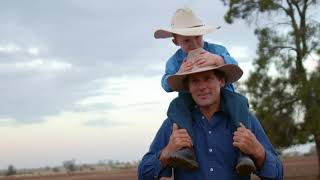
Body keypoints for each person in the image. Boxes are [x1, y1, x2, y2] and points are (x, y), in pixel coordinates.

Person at [137, 58, 283, 180]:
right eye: (195, 81)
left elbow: (278, 174)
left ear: (221, 81)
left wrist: (258, 151)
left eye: (208, 78)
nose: (202, 87)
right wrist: (166, 153)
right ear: (188, 87)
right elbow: (143, 174)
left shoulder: (246, 120)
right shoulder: (174, 124)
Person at [154, 7, 255, 175]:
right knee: (176, 107)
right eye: (187, 41)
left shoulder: (216, 50)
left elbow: (233, 63)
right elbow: (166, 83)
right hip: (190, 98)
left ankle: (243, 153)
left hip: (224, 94)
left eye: (197, 38)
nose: (194, 44)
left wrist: (217, 60)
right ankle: (187, 150)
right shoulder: (175, 60)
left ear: (203, 34)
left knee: (239, 103)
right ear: (176, 41)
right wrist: (178, 74)